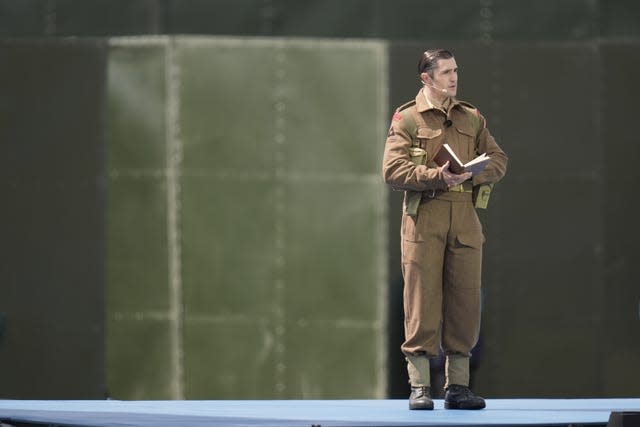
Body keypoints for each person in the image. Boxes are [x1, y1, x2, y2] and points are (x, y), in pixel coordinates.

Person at [382, 49, 508, 410]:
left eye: (456, 71)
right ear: (427, 77)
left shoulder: (471, 117)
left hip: (465, 219)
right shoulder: (407, 118)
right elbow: (392, 171)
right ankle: (420, 386)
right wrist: (437, 175)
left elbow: (499, 159)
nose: (454, 78)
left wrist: (473, 171)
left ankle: (459, 386)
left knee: (465, 303)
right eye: (446, 72)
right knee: (421, 302)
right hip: (426, 218)